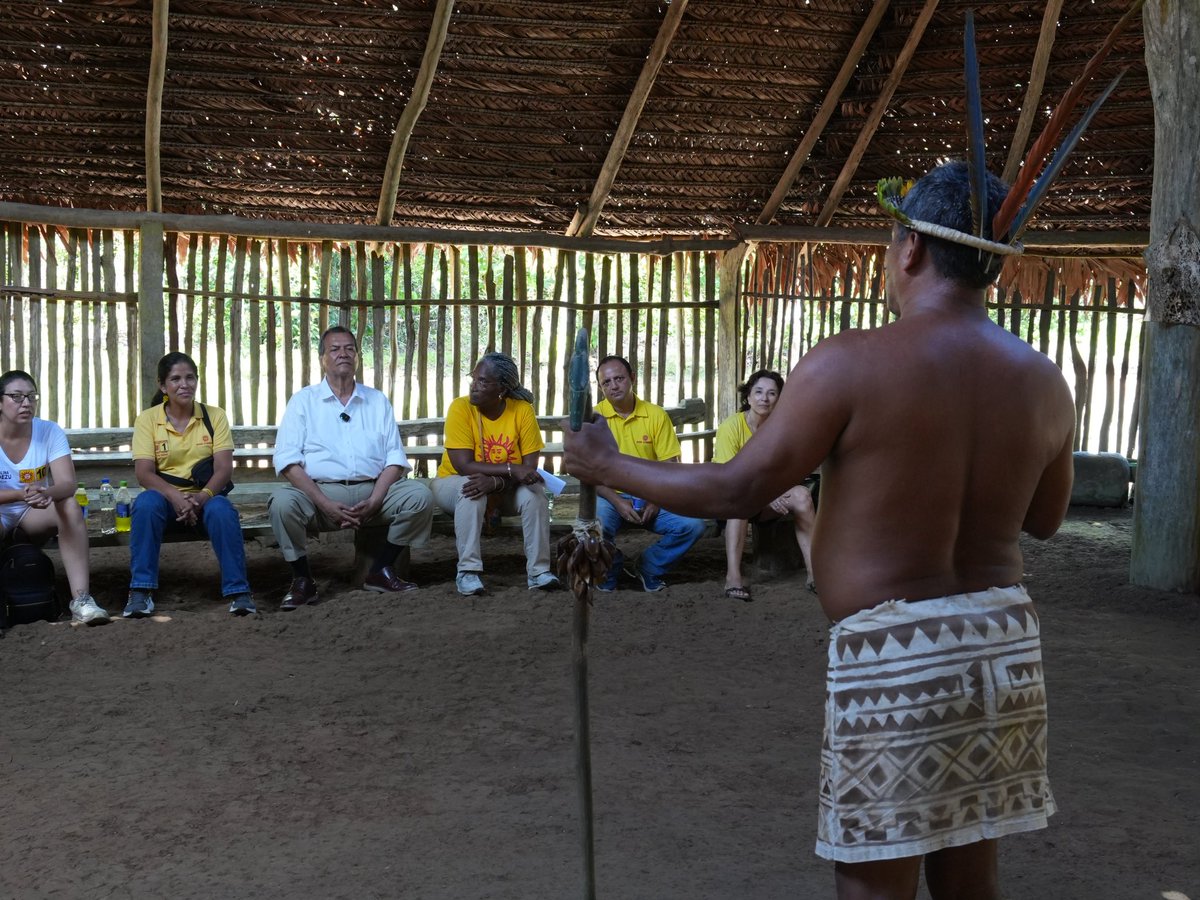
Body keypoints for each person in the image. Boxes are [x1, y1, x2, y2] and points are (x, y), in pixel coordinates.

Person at [565, 162, 1075, 899]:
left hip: (898, 659)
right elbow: (1045, 519)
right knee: (969, 874)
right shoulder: (1042, 379)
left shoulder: (852, 362)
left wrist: (609, 465)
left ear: (910, 248)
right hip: (1001, 647)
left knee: (874, 882)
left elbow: (738, 487)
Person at [270, 325, 434, 609]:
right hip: (320, 494)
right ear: (322, 359)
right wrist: (324, 504)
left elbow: (395, 459)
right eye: (334, 349)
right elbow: (287, 461)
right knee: (282, 504)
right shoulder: (303, 402)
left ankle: (380, 570)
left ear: (358, 357)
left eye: (349, 349)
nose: (343, 354)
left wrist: (376, 500)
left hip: (374, 492)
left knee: (419, 496)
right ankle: (302, 580)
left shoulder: (376, 401)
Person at [125, 352, 256, 618]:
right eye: (175, 379)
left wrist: (201, 498)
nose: (184, 384)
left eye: (190, 378)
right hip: (165, 503)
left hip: (204, 501)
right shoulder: (148, 419)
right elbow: (144, 473)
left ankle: (239, 592)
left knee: (222, 510)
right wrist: (176, 497)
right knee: (145, 503)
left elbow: (223, 469)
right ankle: (140, 591)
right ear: (163, 386)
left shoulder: (214, 416)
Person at [432, 352, 558, 596]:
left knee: (535, 495)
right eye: (473, 379)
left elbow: (528, 470)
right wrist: (510, 470)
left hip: (503, 487)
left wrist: (497, 482)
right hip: (452, 482)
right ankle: (468, 571)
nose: (474, 386)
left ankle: (539, 572)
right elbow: (464, 466)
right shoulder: (461, 408)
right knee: (471, 489)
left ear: (501, 388)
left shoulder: (522, 411)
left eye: (482, 381)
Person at [0, 370, 109, 625]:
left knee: (69, 506)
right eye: (16, 397)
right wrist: (20, 494)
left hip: (34, 511)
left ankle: (82, 601)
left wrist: (47, 493)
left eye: (31, 396)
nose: (26, 403)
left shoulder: (48, 431)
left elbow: (67, 484)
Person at [591, 356, 706, 592]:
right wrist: (617, 501)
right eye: (606, 382)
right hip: (610, 496)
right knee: (596, 526)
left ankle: (648, 566)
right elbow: (590, 474)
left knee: (692, 526)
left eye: (619, 378)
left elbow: (670, 466)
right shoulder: (593, 419)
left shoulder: (655, 415)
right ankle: (612, 569)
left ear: (632, 378)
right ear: (601, 387)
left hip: (653, 494)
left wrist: (655, 500)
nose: (614, 386)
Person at [712, 369, 816, 601]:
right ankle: (733, 577)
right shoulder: (732, 427)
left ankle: (814, 573)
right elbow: (730, 480)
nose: (764, 399)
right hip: (733, 498)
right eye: (758, 392)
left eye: (772, 393)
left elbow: (791, 472)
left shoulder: (785, 430)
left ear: (779, 399)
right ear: (748, 396)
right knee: (740, 505)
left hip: (769, 499)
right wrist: (767, 495)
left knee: (802, 496)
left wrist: (772, 494)